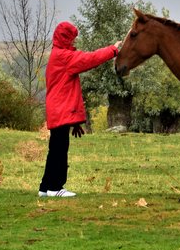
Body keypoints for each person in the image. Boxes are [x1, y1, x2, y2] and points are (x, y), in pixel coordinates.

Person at [39, 21, 122, 197]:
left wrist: (75, 122)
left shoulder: (57, 54)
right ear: (65, 38)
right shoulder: (64, 57)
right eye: (71, 38)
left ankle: (45, 188)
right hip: (60, 110)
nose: (73, 41)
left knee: (55, 149)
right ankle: (56, 188)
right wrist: (113, 50)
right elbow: (89, 59)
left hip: (57, 110)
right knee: (60, 150)